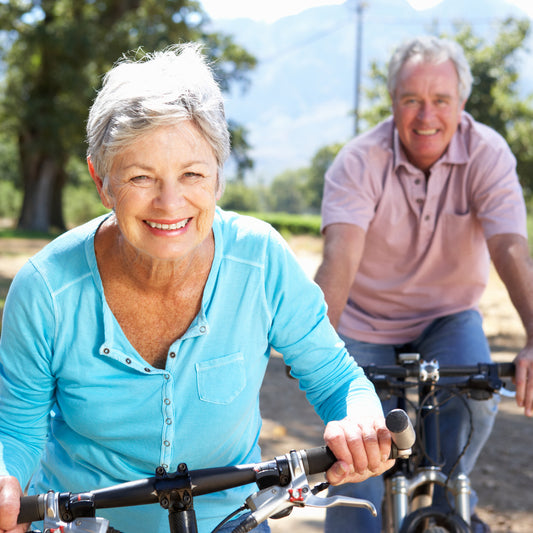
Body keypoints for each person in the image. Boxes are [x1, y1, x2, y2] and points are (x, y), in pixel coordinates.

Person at [0, 44, 395, 533]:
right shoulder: (46, 290)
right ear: (101, 181)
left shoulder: (261, 260)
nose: (170, 203)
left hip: (231, 522)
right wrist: (6, 477)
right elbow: (16, 430)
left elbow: (338, 379)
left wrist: (359, 418)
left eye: (192, 174)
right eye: (142, 177)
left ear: (217, 178)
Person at [315, 35, 533, 533]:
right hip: (364, 322)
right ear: (392, 103)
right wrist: (318, 354)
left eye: (441, 100)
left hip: (447, 316)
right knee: (358, 474)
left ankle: (447, 499)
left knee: (469, 410)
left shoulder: (488, 153)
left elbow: (510, 248)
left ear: (461, 104)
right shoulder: (358, 160)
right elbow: (339, 258)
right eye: (411, 100)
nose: (425, 115)